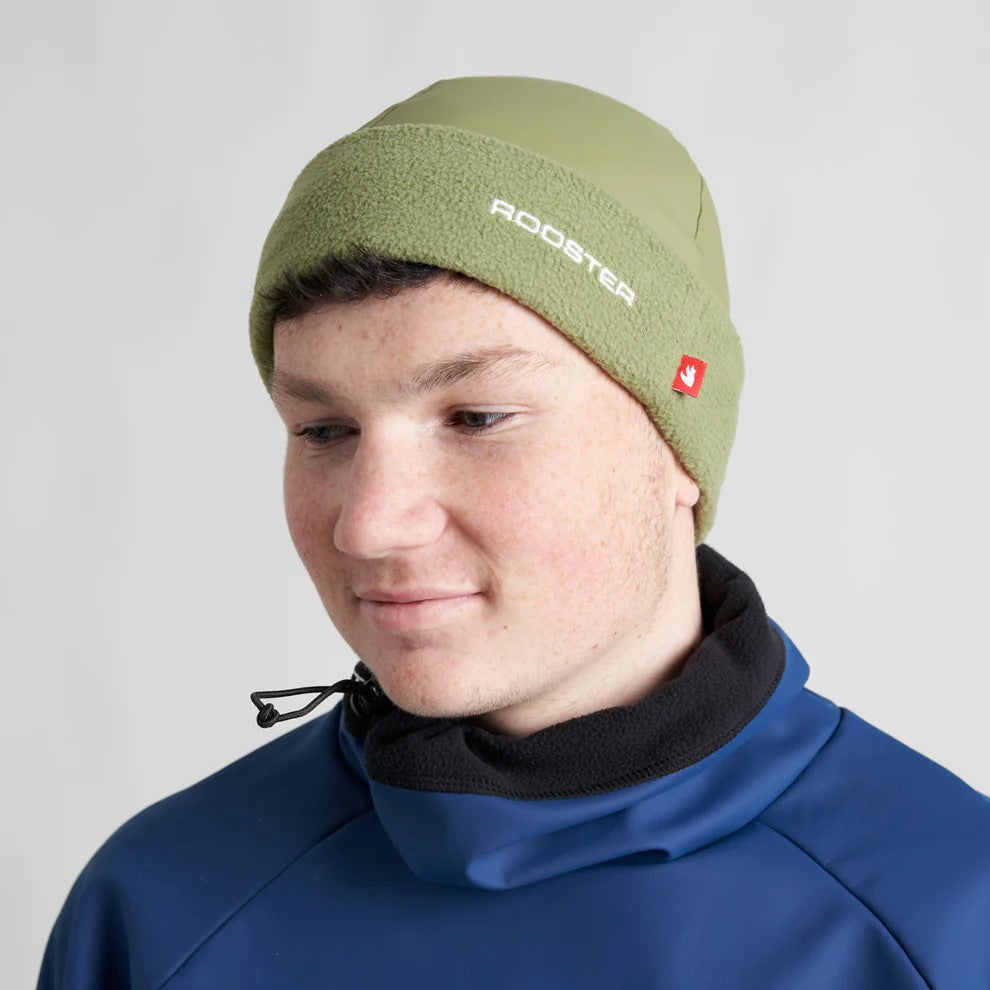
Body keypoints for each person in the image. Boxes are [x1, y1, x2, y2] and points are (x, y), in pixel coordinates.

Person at [39, 75, 990, 989]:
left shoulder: (945, 918)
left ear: (680, 444)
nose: (370, 524)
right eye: (323, 431)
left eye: (478, 418)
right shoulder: (160, 911)